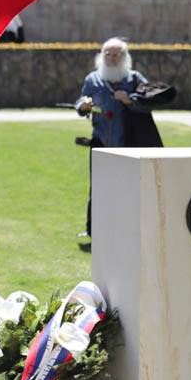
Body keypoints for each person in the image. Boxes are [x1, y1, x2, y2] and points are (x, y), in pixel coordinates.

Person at [74, 37, 151, 237]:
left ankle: (128, 228)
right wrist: (83, 105)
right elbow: (81, 100)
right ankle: (93, 229)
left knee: (129, 187)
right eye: (107, 54)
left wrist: (130, 100)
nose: (111, 58)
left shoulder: (134, 78)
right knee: (98, 187)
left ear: (124, 57)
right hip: (100, 141)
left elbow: (150, 100)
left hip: (129, 143)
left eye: (116, 54)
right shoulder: (93, 79)